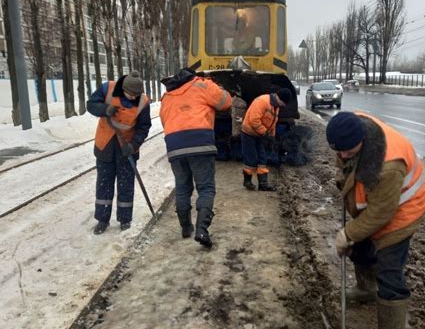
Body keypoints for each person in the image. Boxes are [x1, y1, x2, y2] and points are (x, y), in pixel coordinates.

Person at [326, 112, 425, 329]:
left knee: (389, 269)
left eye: (348, 152)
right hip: (376, 206)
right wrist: (343, 170)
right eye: (339, 152)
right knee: (360, 248)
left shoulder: (387, 166)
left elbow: (381, 214)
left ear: (360, 141)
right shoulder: (350, 126)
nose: (342, 156)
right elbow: (343, 156)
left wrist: (347, 233)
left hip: (403, 210)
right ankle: (366, 288)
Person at [160, 68, 232, 248]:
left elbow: (164, 120)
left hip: (174, 144)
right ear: (193, 76)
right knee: (206, 188)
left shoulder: (168, 95)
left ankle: (186, 227)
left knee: (182, 187)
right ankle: (202, 230)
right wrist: (217, 86)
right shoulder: (202, 84)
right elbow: (225, 102)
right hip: (200, 141)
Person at [87, 71, 152, 235]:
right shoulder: (107, 88)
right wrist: (105, 109)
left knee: (126, 185)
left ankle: (125, 219)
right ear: (123, 88)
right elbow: (91, 104)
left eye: (136, 95)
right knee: (104, 184)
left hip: (126, 149)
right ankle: (102, 219)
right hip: (105, 146)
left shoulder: (143, 101)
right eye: (130, 94)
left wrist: (133, 145)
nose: (133, 98)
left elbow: (144, 127)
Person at [241, 88, 292, 191]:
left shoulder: (275, 106)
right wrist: (265, 133)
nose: (283, 105)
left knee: (262, 158)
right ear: (279, 98)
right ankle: (247, 181)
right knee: (251, 158)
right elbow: (254, 120)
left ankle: (263, 184)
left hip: (260, 134)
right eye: (283, 103)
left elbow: (272, 123)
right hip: (249, 133)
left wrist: (272, 137)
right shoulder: (263, 101)